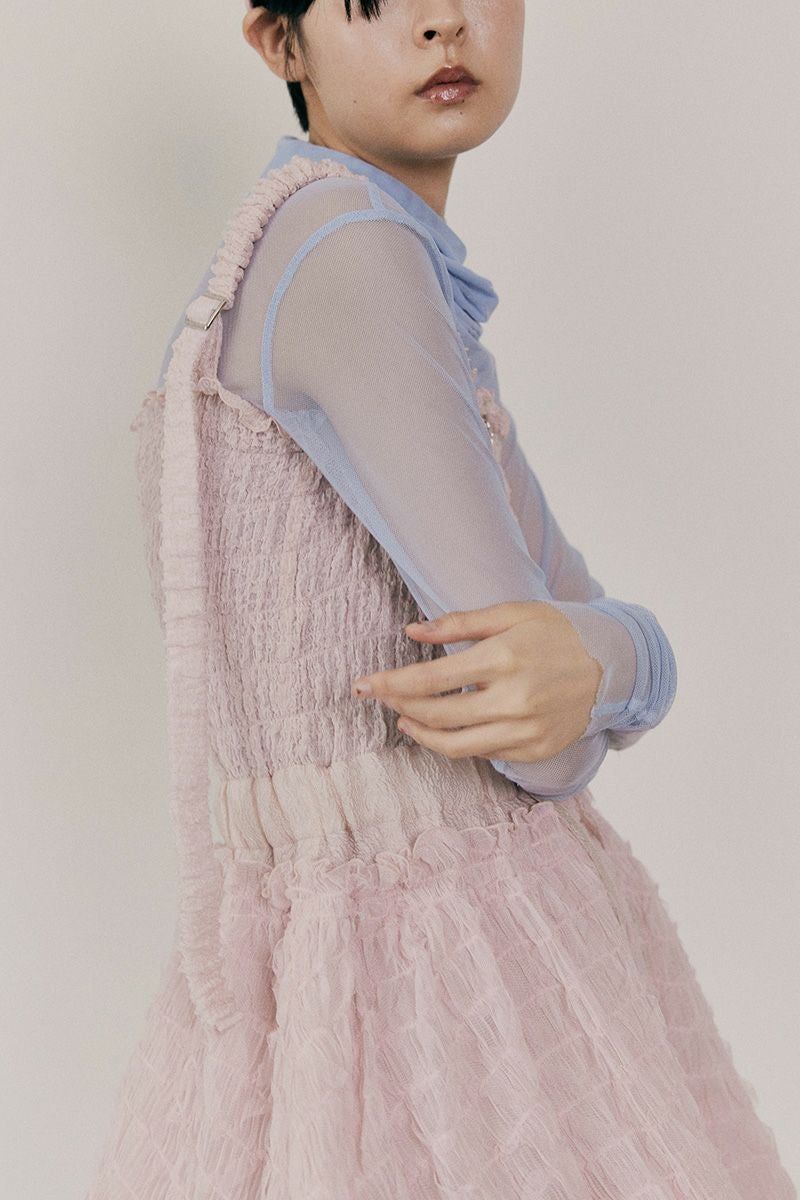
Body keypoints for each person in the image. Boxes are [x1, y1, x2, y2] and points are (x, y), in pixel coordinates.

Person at [85, 2, 797, 1197]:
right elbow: (548, 738)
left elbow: (557, 642)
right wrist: (630, 656)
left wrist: (601, 654)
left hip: (315, 961)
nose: (443, 24)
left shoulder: (304, 243)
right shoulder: (346, 244)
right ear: (280, 46)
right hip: (436, 957)